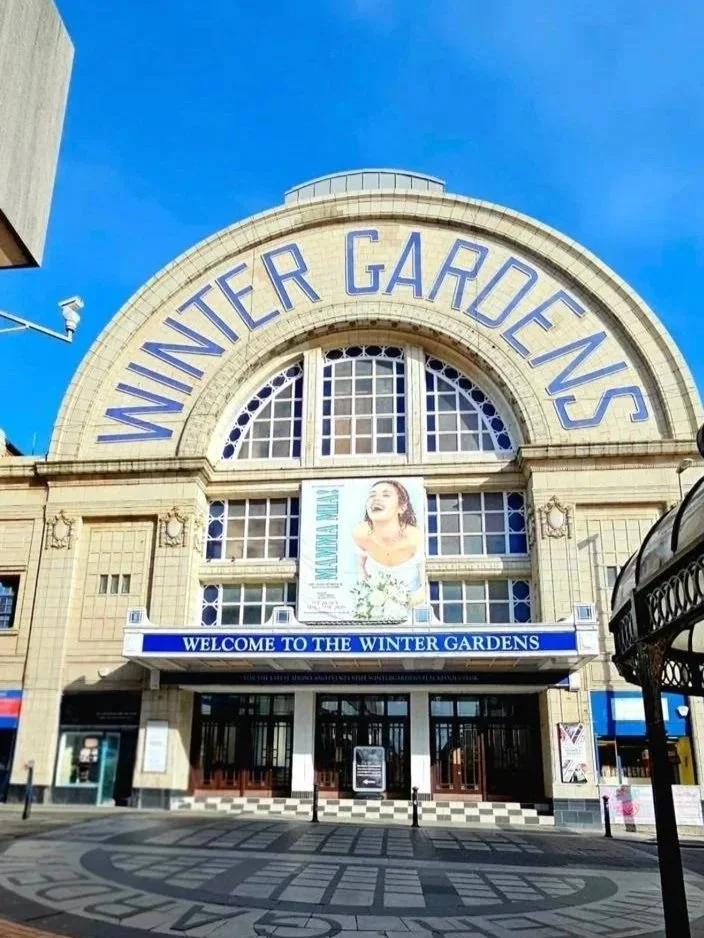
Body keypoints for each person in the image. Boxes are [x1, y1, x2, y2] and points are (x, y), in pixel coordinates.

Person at [352, 479, 426, 607]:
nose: (376, 499)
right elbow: (360, 573)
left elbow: (426, 588)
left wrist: (395, 606)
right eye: (372, 495)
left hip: (415, 611)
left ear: (402, 507)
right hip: (374, 614)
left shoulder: (416, 538)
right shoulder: (360, 533)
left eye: (386, 495)